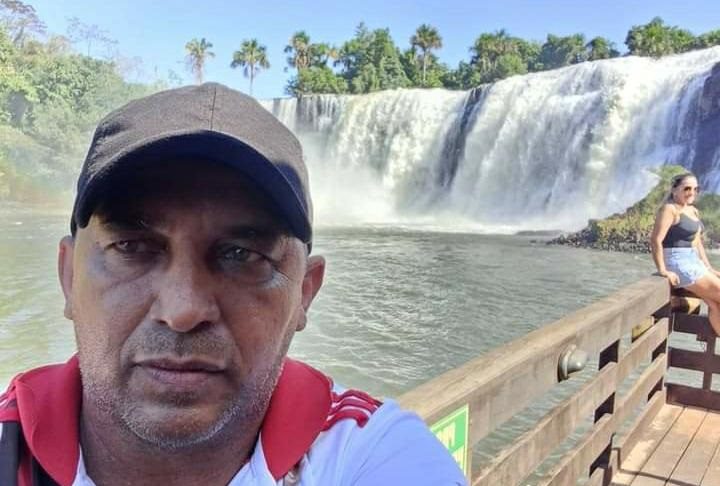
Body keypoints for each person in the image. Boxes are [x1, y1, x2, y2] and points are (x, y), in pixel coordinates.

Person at [0, 83, 466, 486]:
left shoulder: (373, 453)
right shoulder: (8, 441)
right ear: (68, 276)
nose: (182, 310)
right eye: (132, 247)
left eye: (242, 255)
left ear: (304, 292)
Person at [650, 171, 720, 335]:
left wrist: (708, 268)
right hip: (677, 262)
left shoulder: (693, 211)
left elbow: (697, 243)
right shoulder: (669, 209)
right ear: (674, 189)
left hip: (693, 261)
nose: (692, 192)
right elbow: (656, 240)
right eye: (687, 188)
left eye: (696, 189)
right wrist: (663, 270)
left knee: (715, 304)